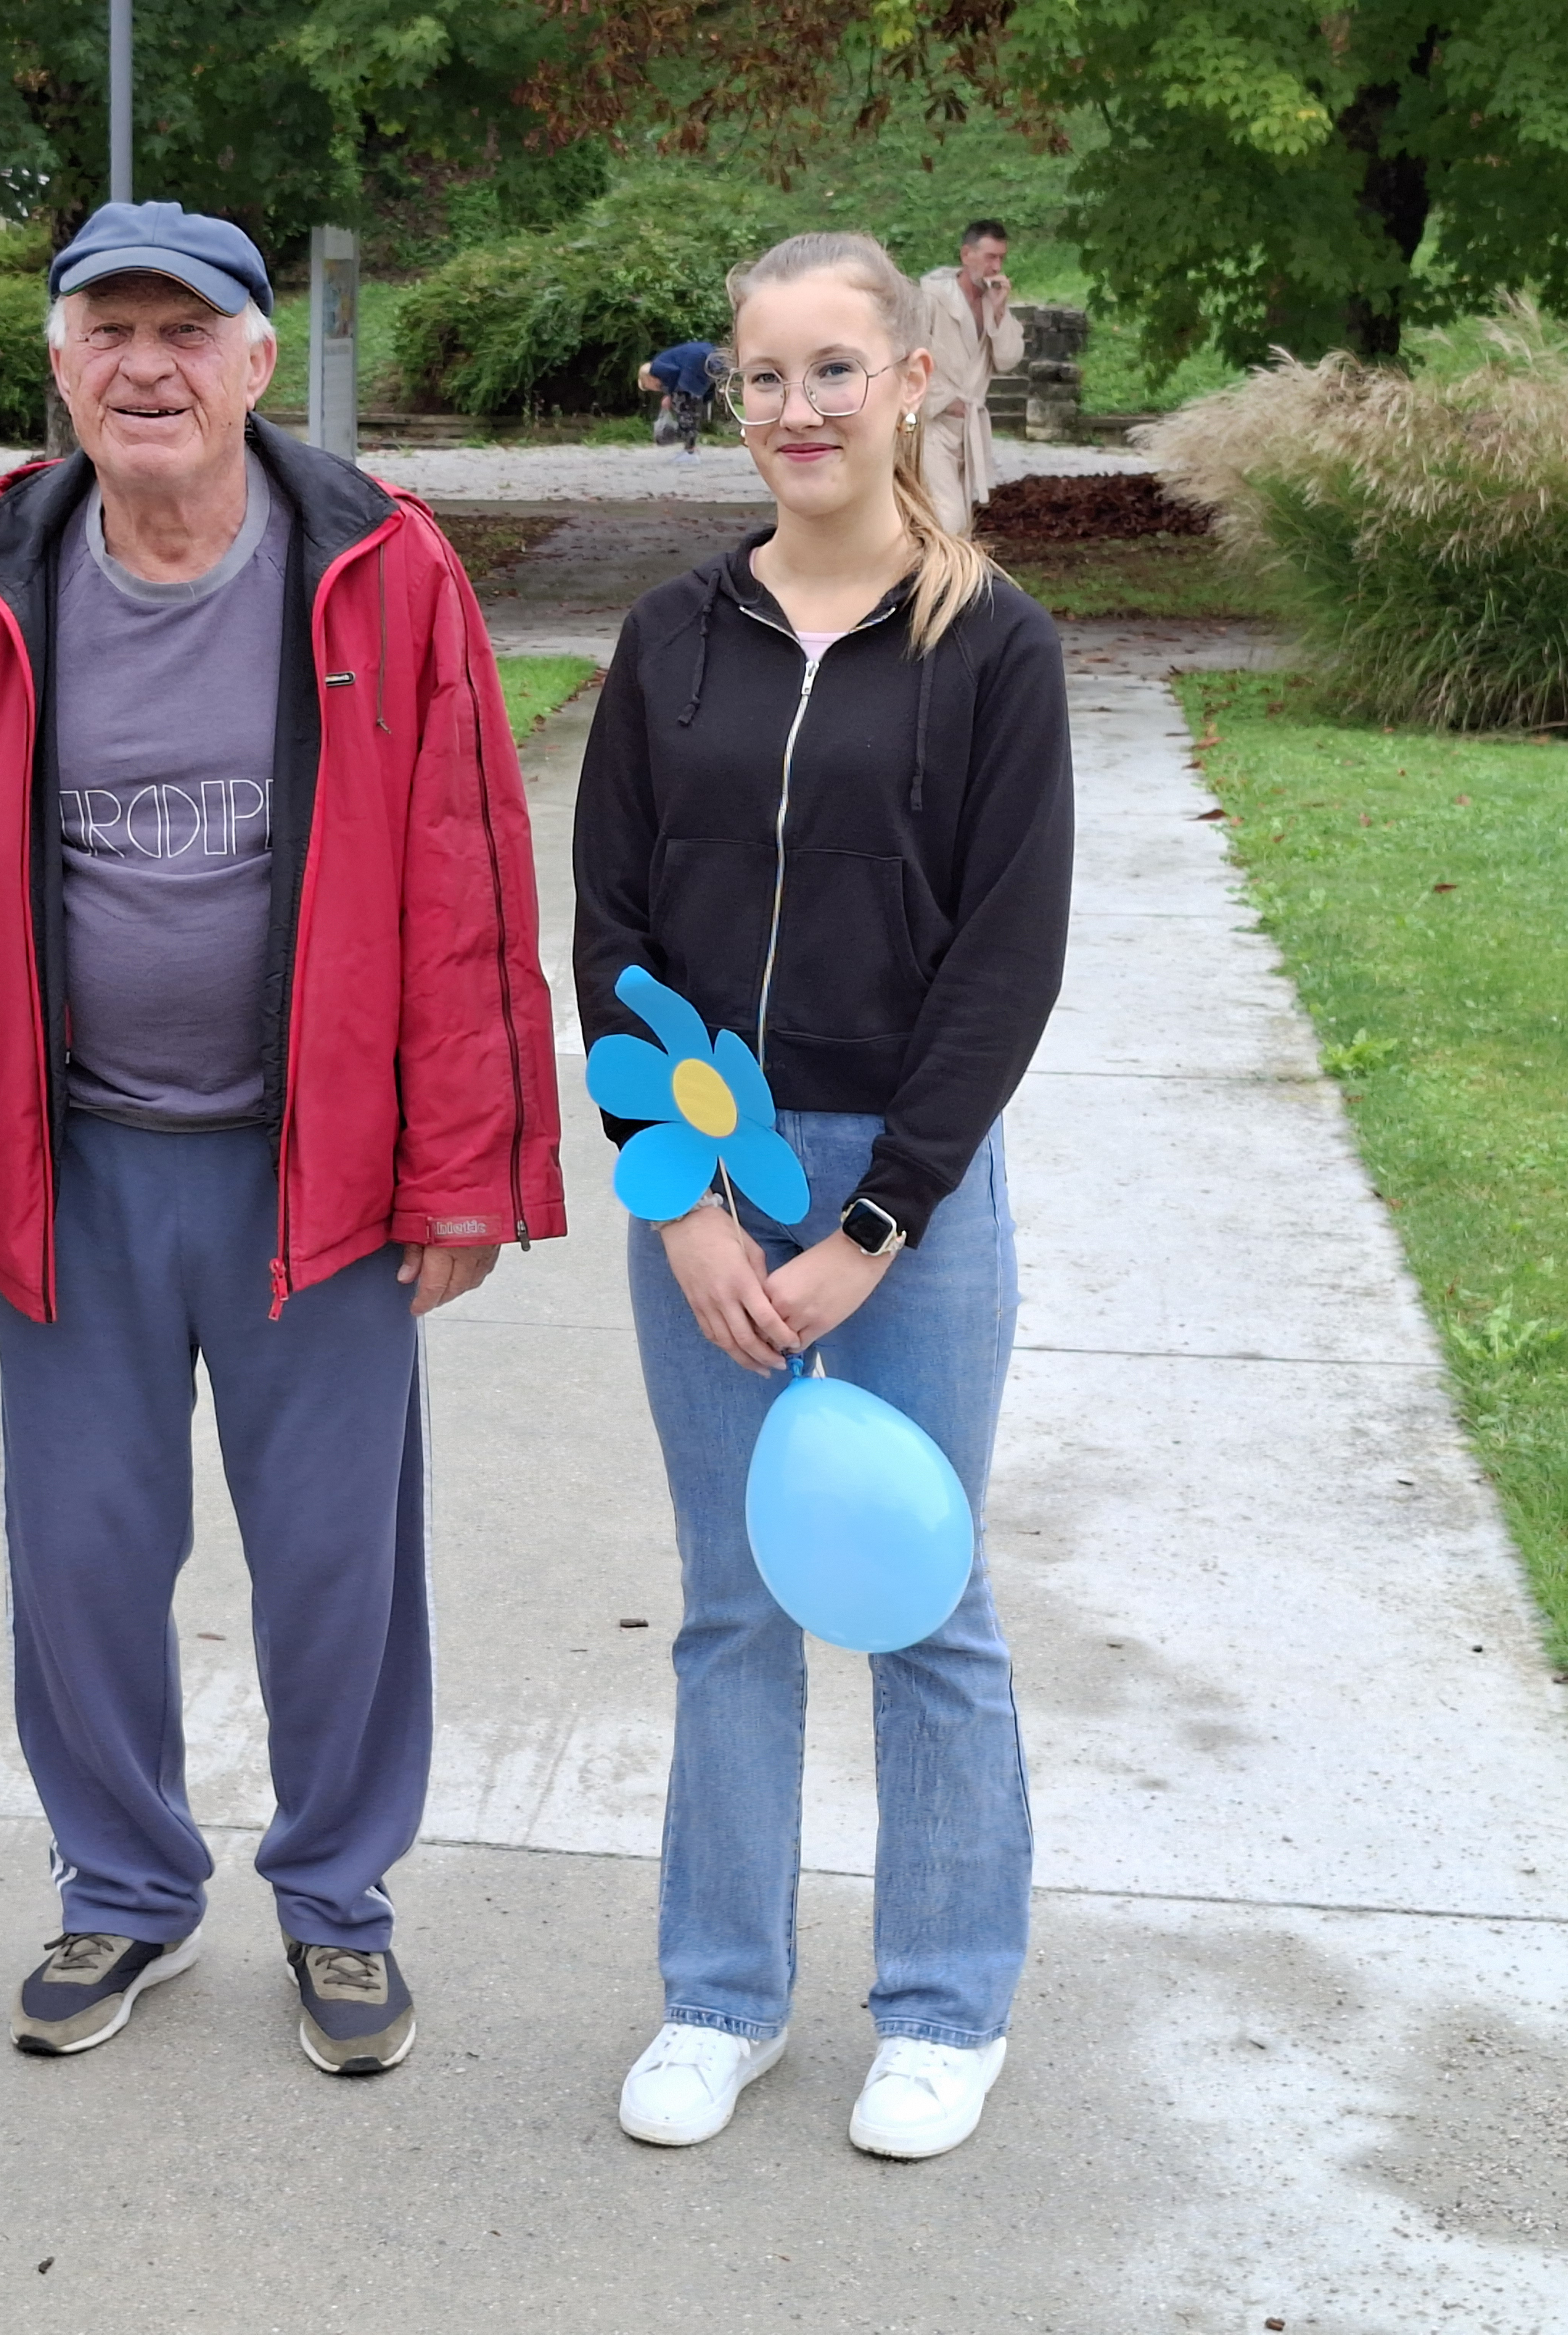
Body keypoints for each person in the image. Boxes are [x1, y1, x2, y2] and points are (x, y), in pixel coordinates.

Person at [0, 200, 565, 2077]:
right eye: (110, 330)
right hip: (74, 1171)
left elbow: (472, 869)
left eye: (189, 332)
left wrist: (465, 1168)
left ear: (256, 360)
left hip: (308, 1175)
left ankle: (337, 1904)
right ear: (61, 360)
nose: (148, 368)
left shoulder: (384, 574)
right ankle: (125, 1891)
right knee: (80, 1554)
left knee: (335, 1560)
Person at [574, 229, 1071, 2160]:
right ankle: (721, 1997)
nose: (794, 410)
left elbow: (1004, 969)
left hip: (901, 1195)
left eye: (833, 371)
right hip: (702, 1171)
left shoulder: (989, 647)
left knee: (925, 1605)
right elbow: (609, 925)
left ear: (912, 383)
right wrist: (677, 1197)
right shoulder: (673, 639)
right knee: (731, 1607)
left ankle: (946, 2007)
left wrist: (877, 1232)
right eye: (763, 376)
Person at [913, 220, 1025, 536]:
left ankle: (940, 582)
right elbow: (905, 358)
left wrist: (1000, 312)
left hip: (968, 428)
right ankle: (937, 580)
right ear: (967, 254)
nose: (997, 267)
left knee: (959, 522)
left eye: (1002, 258)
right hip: (928, 424)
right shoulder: (931, 298)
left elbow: (1007, 360)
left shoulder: (993, 303)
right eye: (990, 257)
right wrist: (946, 401)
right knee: (949, 518)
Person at [637, 338, 723, 457]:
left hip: (694, 362)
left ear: (647, 378)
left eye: (647, 386)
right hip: (711, 352)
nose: (652, 389)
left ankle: (690, 449)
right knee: (695, 403)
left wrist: (670, 395)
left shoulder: (655, 368)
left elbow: (674, 373)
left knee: (683, 407)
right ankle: (691, 446)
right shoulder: (665, 359)